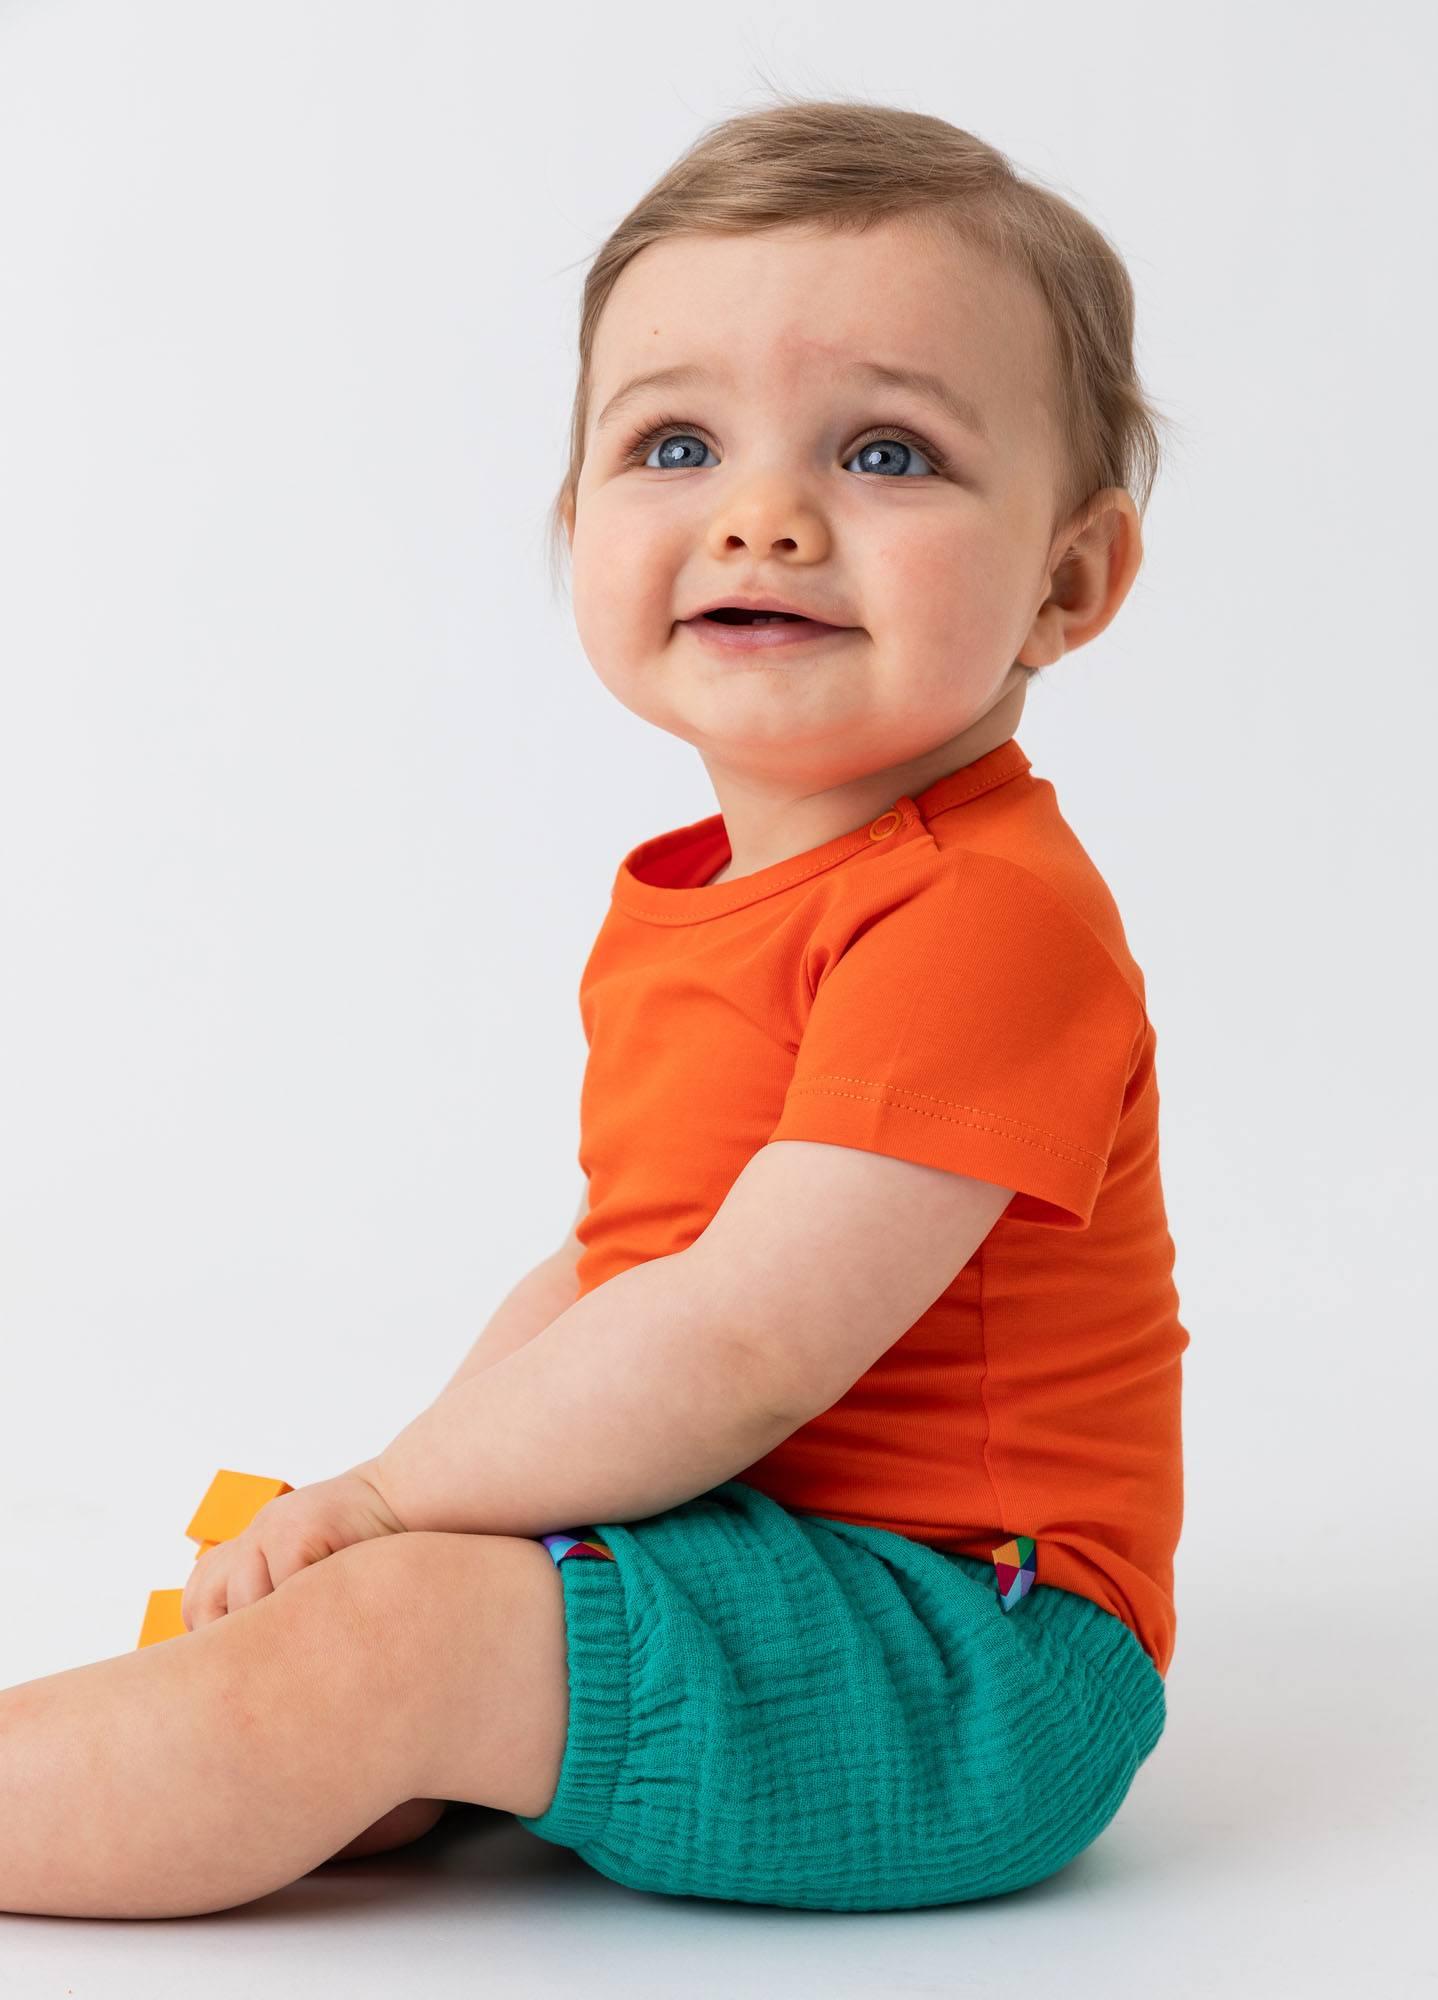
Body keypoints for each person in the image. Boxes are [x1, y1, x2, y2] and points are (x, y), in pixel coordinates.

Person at [0, 94, 1188, 1919]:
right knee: (353, 1605)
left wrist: (403, 1516)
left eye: (883, 455)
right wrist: (396, 1490)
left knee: (389, 1625)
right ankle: (291, 1747)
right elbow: (621, 1281)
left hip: (971, 1659)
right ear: (576, 525)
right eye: (678, 443)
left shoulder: (980, 916)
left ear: (1069, 577)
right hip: (760, 1553)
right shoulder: (704, 895)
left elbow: (738, 1343)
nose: (767, 517)